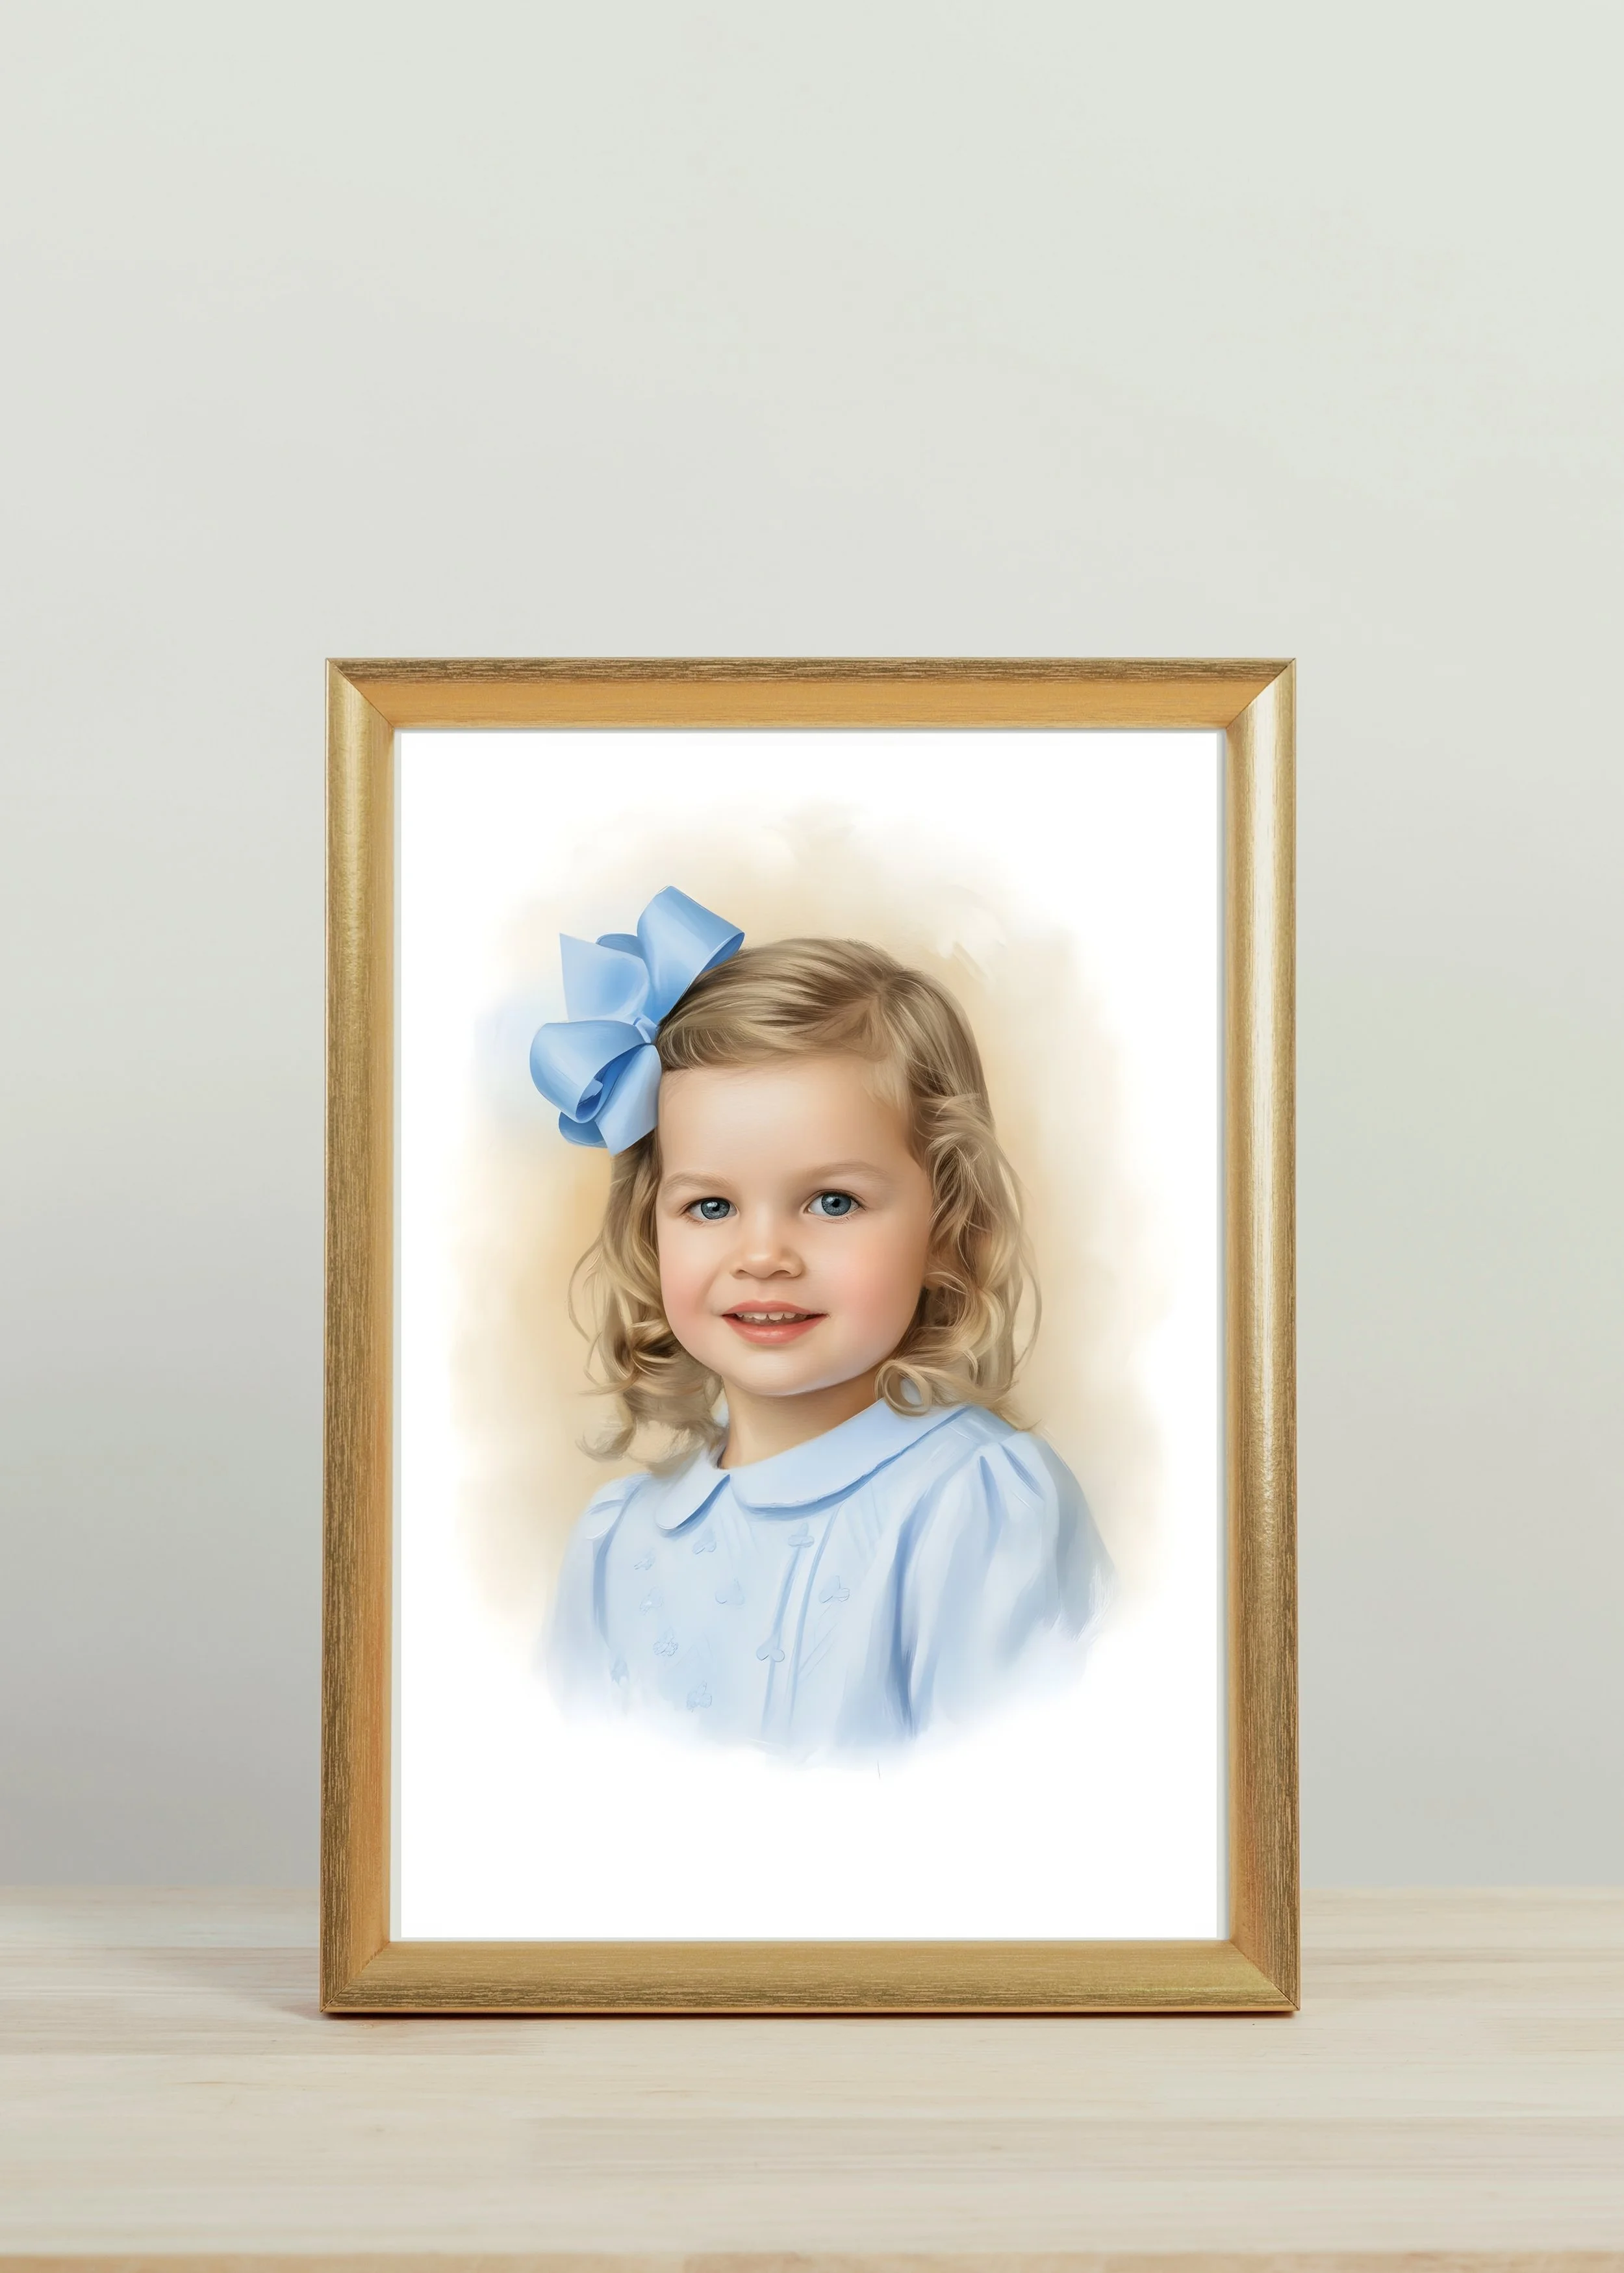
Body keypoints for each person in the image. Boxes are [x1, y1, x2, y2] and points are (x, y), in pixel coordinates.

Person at [529, 886, 1112, 1754]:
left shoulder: (976, 1506)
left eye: (832, 1200)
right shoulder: (616, 1546)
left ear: (947, 1227)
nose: (764, 1254)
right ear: (650, 1230)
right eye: (712, 1205)